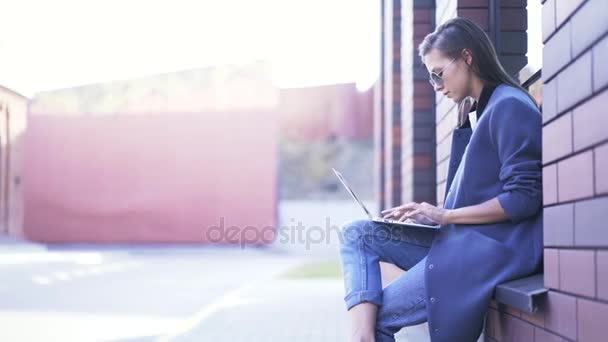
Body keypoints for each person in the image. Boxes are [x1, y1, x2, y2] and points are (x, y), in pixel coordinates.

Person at [338, 17, 543, 342]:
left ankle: (367, 335)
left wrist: (444, 215)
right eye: (431, 78)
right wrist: (430, 213)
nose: (437, 86)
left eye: (438, 74)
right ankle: (361, 335)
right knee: (357, 233)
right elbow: (474, 195)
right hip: (463, 241)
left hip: (489, 251)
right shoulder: (480, 111)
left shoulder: (510, 106)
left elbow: (524, 199)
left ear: (467, 57)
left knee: (381, 318)